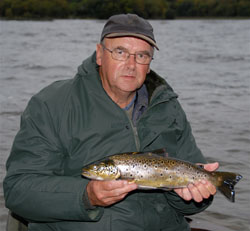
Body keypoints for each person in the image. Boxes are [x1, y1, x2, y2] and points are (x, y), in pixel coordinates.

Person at [4, 14, 218, 231]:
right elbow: (18, 190)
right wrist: (86, 196)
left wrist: (187, 194)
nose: (131, 64)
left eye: (142, 55)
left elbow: (192, 204)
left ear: (149, 63)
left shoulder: (168, 107)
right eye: (120, 52)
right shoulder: (51, 104)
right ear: (99, 54)